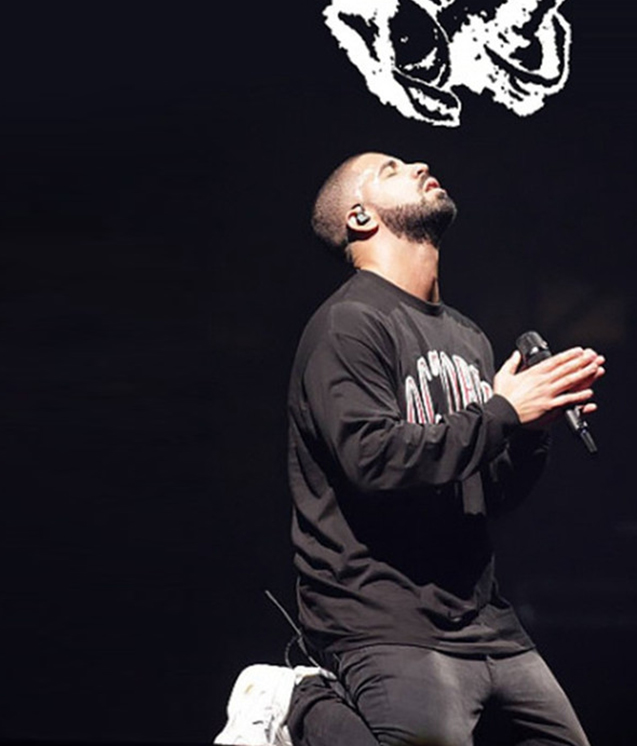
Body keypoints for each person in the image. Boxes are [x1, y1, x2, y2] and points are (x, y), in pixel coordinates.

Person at [228, 151, 605, 746]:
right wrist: (503, 411)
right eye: (391, 169)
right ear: (360, 217)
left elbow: (487, 493)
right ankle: (294, 704)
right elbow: (374, 459)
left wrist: (530, 430)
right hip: (382, 616)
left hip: (484, 619)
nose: (419, 164)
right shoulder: (348, 324)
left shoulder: (466, 336)